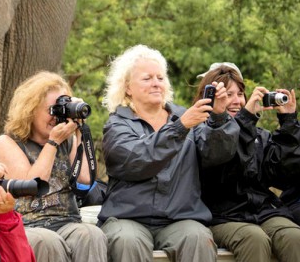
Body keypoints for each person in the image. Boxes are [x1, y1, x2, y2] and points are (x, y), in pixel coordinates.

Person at [98, 45, 239, 262]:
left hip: (180, 219)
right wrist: (180, 128)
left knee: (199, 238)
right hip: (128, 218)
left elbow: (217, 156)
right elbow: (137, 160)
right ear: (127, 88)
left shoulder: (186, 116)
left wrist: (219, 119)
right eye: (147, 78)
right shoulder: (117, 124)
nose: (156, 83)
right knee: (126, 241)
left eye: (160, 77)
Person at [0, 71, 108, 262]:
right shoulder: (7, 142)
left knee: (91, 234)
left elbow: (86, 179)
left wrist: (80, 131)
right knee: (49, 242)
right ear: (30, 110)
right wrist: (53, 143)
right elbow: (32, 186)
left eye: (61, 110)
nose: (56, 117)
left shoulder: (68, 140)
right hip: (29, 225)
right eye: (52, 111)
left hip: (68, 222)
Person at [195, 62, 300, 262]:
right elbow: (225, 170)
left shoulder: (258, 135)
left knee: (295, 237)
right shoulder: (201, 133)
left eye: (240, 94)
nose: (236, 101)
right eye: (228, 94)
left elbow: (283, 176)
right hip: (221, 215)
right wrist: (245, 121)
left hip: (262, 210)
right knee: (255, 239)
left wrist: (288, 123)